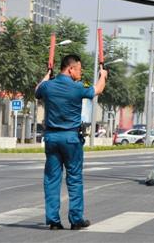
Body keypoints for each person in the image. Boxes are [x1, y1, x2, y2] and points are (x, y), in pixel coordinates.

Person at [35, 54, 108, 230]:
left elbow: (38, 90)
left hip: (52, 138)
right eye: (79, 69)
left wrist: (48, 73)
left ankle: (53, 220)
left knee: (52, 179)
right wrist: (103, 75)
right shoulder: (76, 88)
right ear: (70, 69)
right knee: (74, 179)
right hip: (70, 139)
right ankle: (76, 220)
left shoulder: (48, 86)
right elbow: (97, 90)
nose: (80, 73)